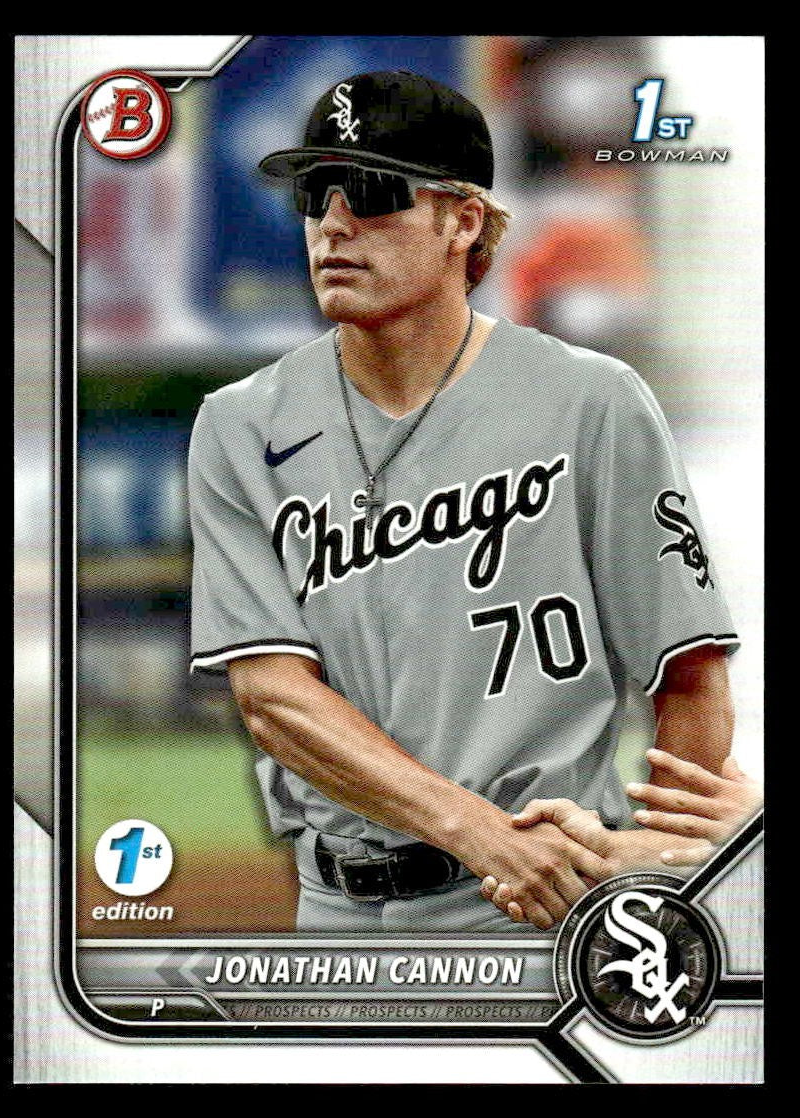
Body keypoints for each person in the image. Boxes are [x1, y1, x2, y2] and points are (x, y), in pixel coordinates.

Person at [188, 70, 744, 933]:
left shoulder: (590, 402)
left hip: (540, 906)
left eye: (372, 192)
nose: (333, 223)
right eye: (314, 193)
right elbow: (273, 699)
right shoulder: (239, 425)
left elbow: (688, 678)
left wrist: (655, 872)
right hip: (335, 911)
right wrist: (482, 835)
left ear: (464, 221)